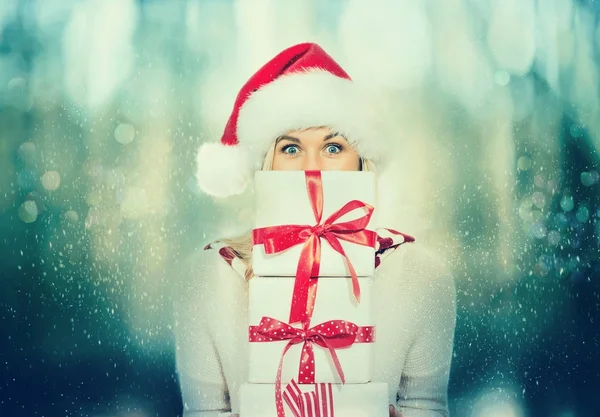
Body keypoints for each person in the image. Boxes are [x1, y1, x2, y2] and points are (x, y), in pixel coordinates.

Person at [174, 42, 456, 417]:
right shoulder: (209, 278)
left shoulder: (422, 276)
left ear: (360, 162)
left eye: (333, 147)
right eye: (290, 148)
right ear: (265, 166)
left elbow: (426, 406)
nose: (313, 167)